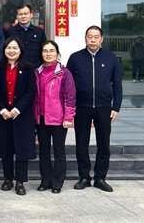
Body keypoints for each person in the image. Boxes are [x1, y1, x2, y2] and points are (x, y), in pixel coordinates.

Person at [67, 25, 122, 192]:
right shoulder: (75, 58)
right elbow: (68, 85)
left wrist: (116, 107)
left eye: (96, 37)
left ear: (101, 39)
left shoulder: (111, 58)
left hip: (104, 107)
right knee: (81, 143)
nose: (92, 39)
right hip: (81, 107)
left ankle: (100, 178)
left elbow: (117, 84)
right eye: (89, 36)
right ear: (85, 38)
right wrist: (70, 107)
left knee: (104, 144)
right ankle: (84, 177)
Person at [0, 36, 36, 195]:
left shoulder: (29, 68)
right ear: (4, 50)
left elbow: (31, 91)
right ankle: (8, 179)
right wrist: (2, 110)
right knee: (6, 148)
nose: (11, 51)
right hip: (4, 114)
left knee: (22, 149)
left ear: (20, 50)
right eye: (8, 48)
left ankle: (20, 181)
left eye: (15, 48)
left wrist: (17, 109)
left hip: (22, 115)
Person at [34, 40, 76, 194]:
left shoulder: (64, 73)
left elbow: (70, 96)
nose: (48, 54)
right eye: (45, 51)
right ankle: (45, 181)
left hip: (58, 119)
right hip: (41, 118)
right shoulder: (37, 72)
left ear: (57, 54)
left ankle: (57, 182)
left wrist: (68, 117)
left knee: (59, 152)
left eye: (52, 51)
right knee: (43, 151)